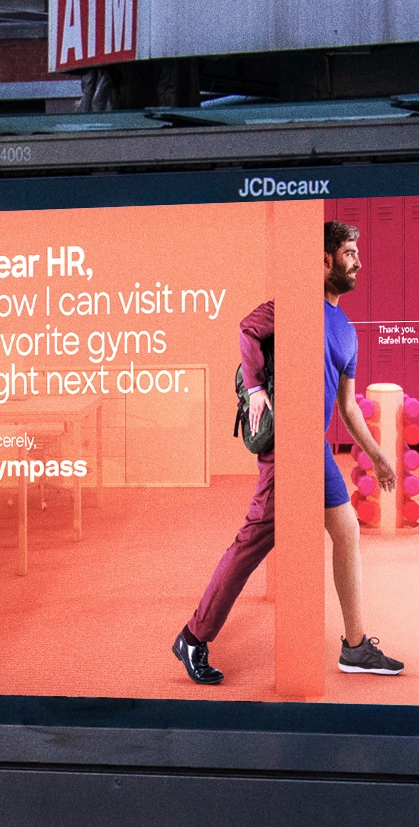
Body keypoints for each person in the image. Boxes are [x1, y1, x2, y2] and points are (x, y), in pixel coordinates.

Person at [173, 221, 404, 683]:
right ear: (324, 261)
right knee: (252, 543)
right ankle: (193, 637)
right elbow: (247, 329)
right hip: (286, 449)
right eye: (350, 253)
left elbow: (347, 405)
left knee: (347, 531)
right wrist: (256, 388)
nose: (358, 261)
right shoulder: (296, 305)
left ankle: (355, 646)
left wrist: (377, 454)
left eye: (358, 253)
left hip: (314, 449)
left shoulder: (347, 331)